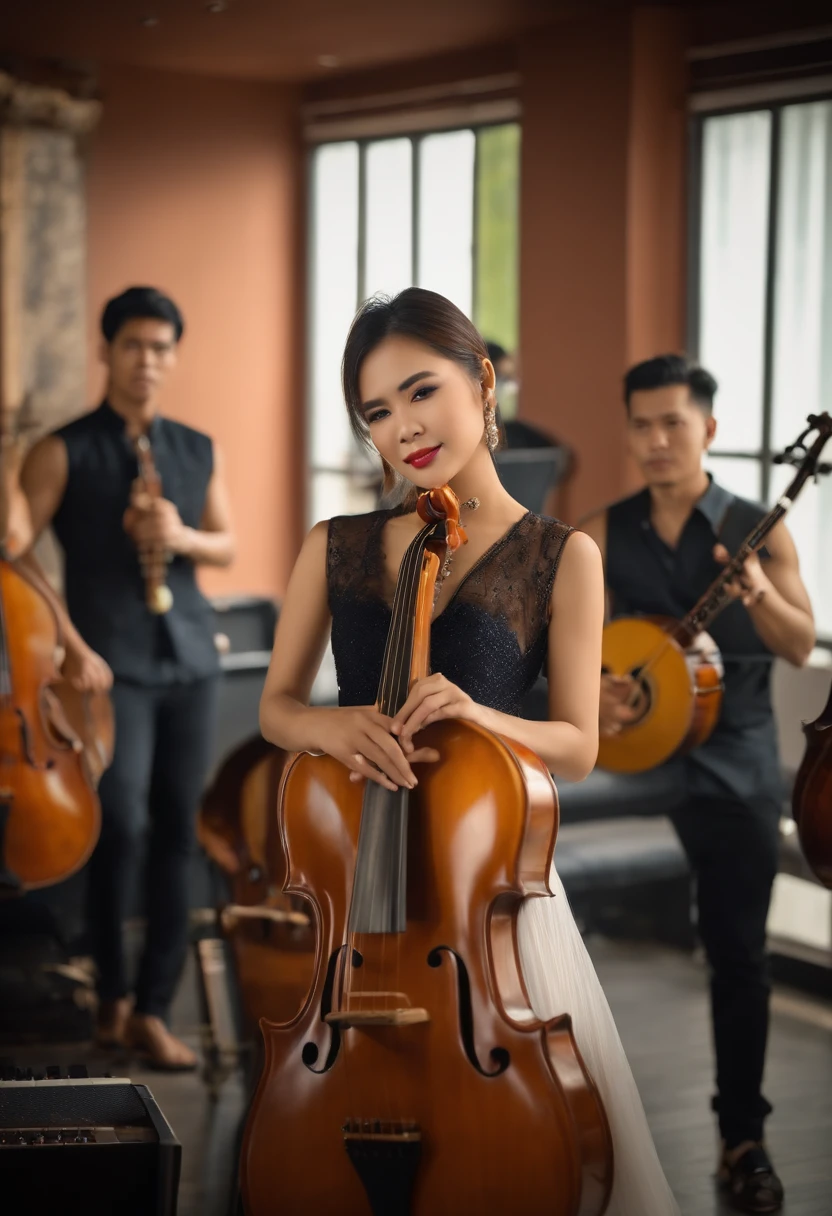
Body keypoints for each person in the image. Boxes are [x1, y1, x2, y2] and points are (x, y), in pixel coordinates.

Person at [259, 287, 679, 1213]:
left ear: (481, 383)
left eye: (421, 392)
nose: (403, 427)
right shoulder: (336, 545)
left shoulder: (562, 555)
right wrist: (334, 724)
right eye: (377, 411)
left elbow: (576, 746)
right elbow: (277, 707)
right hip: (359, 909)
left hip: (490, 905)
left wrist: (483, 717)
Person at [580, 354, 815, 1213]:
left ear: (708, 430)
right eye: (641, 425)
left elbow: (797, 643)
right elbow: (553, 638)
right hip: (629, 752)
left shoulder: (758, 528)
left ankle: (741, 1134)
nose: (655, 441)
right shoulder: (603, 532)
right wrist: (594, 686)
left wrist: (755, 591)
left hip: (732, 754)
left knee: (737, 951)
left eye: (673, 423)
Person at [7, 286, 236, 1069]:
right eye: (135, 345)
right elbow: (13, 546)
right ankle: (107, 1001)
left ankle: (151, 1009)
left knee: (179, 831)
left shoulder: (198, 446)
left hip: (191, 660)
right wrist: (67, 637)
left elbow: (228, 544)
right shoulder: (63, 449)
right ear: (105, 351)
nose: (149, 361)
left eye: (162, 347)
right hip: (109, 669)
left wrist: (181, 534)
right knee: (124, 826)